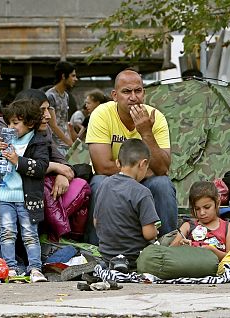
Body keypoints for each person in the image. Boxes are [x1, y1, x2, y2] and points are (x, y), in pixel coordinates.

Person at [0, 89, 73, 259]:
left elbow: (63, 163)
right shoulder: (7, 128)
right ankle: (8, 261)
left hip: (20, 186)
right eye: (42, 110)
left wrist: (62, 174)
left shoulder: (41, 131)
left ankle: (42, 252)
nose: (48, 116)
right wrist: (53, 167)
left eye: (48, 109)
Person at [85, 69, 177, 245]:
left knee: (163, 184)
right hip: (112, 179)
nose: (133, 97)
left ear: (144, 93)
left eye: (138, 91)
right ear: (114, 95)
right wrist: (140, 172)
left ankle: (168, 245)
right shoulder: (101, 114)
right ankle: (97, 247)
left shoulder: (155, 117)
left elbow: (162, 169)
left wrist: (146, 132)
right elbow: (102, 167)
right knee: (98, 183)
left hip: (142, 179)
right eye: (126, 92)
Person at [0, 99, 50, 283]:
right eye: (9, 123)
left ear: (30, 123)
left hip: (27, 198)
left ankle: (35, 268)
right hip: (4, 197)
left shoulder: (38, 142)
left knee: (30, 234)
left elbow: (40, 167)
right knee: (7, 232)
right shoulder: (6, 139)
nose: (10, 127)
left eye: (15, 123)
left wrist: (18, 161)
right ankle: (10, 267)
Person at [93, 139, 159, 271]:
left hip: (106, 254)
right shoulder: (142, 192)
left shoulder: (104, 185)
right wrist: (156, 231)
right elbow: (149, 234)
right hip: (134, 256)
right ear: (143, 163)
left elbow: (96, 222)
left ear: (118, 163)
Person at [170, 181, 230, 260]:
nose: (202, 213)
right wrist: (181, 245)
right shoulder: (188, 226)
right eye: (197, 209)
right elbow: (170, 251)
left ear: (218, 203)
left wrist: (214, 252)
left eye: (207, 207)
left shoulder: (228, 227)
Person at [45, 61, 79, 154]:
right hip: (54, 146)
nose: (75, 79)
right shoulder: (50, 96)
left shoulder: (66, 96)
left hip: (65, 145)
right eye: (73, 76)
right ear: (64, 76)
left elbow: (64, 121)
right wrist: (70, 143)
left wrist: (71, 142)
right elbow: (53, 125)